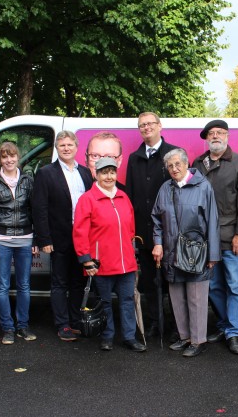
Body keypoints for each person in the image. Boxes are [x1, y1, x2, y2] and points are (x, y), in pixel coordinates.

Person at [192, 120, 238, 355]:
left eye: (220, 132)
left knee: (235, 286)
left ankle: (234, 333)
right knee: (214, 286)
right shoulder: (198, 164)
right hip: (205, 240)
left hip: (231, 238)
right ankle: (223, 325)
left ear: (227, 136)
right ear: (207, 138)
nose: (216, 136)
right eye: (211, 133)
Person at [151, 148, 220, 357]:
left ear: (186, 163)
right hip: (171, 252)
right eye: (170, 166)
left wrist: (213, 255)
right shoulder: (165, 188)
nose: (174, 169)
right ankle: (184, 337)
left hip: (195, 253)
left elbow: (213, 223)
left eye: (177, 164)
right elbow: (156, 218)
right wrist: (158, 243)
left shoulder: (203, 187)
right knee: (177, 297)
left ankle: (198, 340)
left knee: (196, 298)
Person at [73, 157, 146, 352]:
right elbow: (80, 232)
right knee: (104, 303)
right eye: (104, 172)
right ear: (96, 175)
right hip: (101, 264)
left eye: (112, 172)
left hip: (126, 263)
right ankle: (107, 336)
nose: (109, 176)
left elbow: (131, 229)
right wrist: (85, 259)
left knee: (127, 301)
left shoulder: (123, 197)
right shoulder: (87, 199)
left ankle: (129, 337)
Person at [33, 130, 94, 341]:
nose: (66, 148)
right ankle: (62, 324)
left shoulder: (85, 173)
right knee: (59, 283)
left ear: (77, 147)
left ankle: (75, 319)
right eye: (62, 146)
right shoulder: (46, 173)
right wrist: (44, 239)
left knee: (78, 282)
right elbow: (39, 208)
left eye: (69, 145)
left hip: (82, 237)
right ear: (57, 149)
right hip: (58, 237)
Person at [126, 112, 180, 339]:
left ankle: (178, 327)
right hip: (144, 233)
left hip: (171, 232)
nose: (146, 127)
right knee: (149, 282)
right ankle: (154, 324)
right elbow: (130, 195)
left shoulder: (173, 154)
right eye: (142, 125)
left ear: (160, 126)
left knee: (174, 283)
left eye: (150, 123)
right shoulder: (134, 158)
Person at [0, 142, 38, 345]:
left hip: (25, 238)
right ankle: (7, 328)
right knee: (2, 285)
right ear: (0, 159)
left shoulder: (28, 180)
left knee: (24, 285)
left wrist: (37, 238)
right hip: (0, 239)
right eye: (5, 157)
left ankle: (23, 325)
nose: (9, 160)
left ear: (18, 157)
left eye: (12, 156)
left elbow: (35, 210)